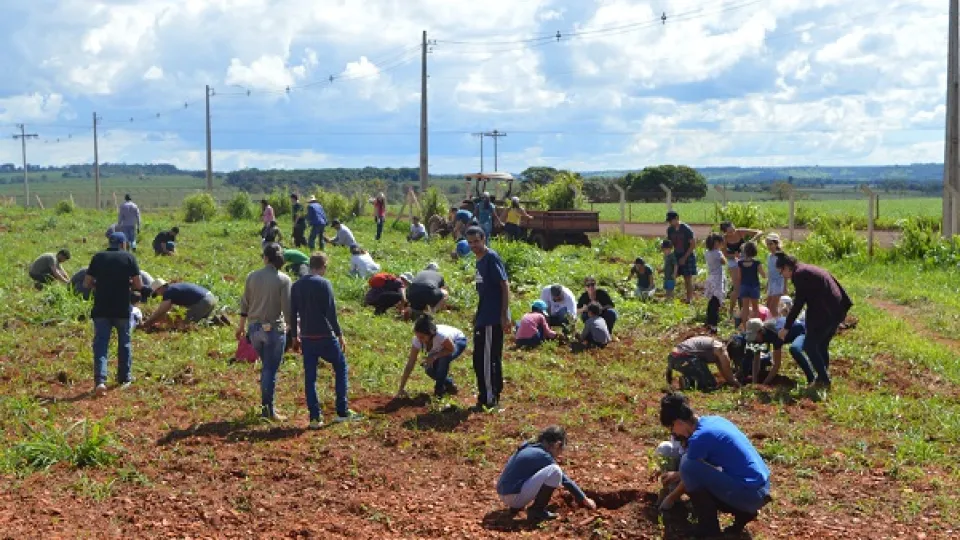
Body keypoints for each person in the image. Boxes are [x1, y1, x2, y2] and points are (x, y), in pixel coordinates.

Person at [657, 393, 771, 537]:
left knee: (687, 465)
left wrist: (670, 499)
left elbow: (690, 474)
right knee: (689, 468)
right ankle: (742, 514)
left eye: (671, 427)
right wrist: (677, 475)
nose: (673, 433)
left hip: (749, 494)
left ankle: (708, 530)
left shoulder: (699, 438)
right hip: (760, 489)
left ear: (679, 422)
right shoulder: (714, 421)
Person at [290, 252, 360, 428]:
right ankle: (342, 411)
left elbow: (292, 313)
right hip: (325, 335)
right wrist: (340, 334)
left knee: (310, 377)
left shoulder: (297, 286)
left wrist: (294, 337)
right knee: (341, 366)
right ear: (323, 267)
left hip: (306, 337)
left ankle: (315, 417)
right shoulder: (324, 284)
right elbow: (331, 312)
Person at [775, 254, 852, 389]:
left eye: (781, 272)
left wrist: (786, 327)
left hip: (826, 312)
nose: (783, 276)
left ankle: (824, 380)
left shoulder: (799, 274)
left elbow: (799, 303)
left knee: (809, 346)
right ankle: (821, 379)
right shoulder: (808, 269)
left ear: (787, 267)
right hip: (837, 309)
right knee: (821, 345)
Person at [237, 243, 294, 420]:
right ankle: (268, 410)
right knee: (270, 369)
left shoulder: (251, 276)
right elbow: (287, 308)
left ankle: (267, 406)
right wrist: (293, 331)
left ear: (266, 258)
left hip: (254, 330)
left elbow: (245, 303)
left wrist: (240, 326)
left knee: (265, 367)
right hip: (274, 330)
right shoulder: (284, 280)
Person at [84, 232, 143, 396]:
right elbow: (138, 284)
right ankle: (124, 378)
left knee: (101, 344)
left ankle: (100, 381)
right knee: (124, 342)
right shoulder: (129, 258)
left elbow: (87, 283)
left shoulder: (98, 257)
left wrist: (99, 285)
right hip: (122, 309)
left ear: (109, 242)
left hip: (101, 309)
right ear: (123, 243)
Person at [496, 426, 596, 522]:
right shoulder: (543, 455)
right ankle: (537, 510)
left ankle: (515, 507)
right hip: (514, 497)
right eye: (561, 449)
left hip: (503, 493)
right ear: (557, 444)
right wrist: (583, 498)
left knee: (542, 471)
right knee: (555, 471)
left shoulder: (528, 446)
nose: (560, 454)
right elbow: (564, 479)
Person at [467, 226, 510, 410]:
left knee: (487, 359)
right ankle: (486, 394)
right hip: (484, 316)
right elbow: (484, 293)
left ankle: (489, 398)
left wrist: (504, 315)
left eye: (476, 241)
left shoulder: (491, 258)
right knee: (479, 358)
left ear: (484, 239)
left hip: (492, 318)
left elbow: (504, 284)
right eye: (470, 242)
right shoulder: (479, 261)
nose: (473, 245)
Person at [396, 314, 468, 398]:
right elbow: (410, 364)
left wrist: (434, 357)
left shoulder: (441, 336)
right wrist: (401, 388)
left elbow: (450, 349)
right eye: (417, 336)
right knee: (429, 370)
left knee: (443, 359)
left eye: (422, 337)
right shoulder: (417, 341)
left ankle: (439, 391)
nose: (419, 339)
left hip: (457, 341)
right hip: (440, 348)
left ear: (430, 334)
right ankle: (448, 384)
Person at [744, 313, 807, 385]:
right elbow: (756, 360)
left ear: (761, 331)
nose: (754, 339)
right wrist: (754, 382)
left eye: (754, 336)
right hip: (786, 330)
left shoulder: (775, 335)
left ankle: (810, 378)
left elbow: (777, 364)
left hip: (801, 330)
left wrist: (764, 384)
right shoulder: (758, 337)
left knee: (794, 349)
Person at [720, 222, 762, 319]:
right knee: (737, 287)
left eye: (733, 229)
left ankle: (747, 309)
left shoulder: (740, 232)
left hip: (745, 259)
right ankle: (731, 311)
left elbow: (759, 232)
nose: (733, 232)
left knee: (748, 283)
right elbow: (725, 254)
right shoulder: (724, 238)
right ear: (725, 232)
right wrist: (733, 255)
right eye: (730, 232)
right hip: (733, 262)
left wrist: (750, 242)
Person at [667, 336, 741, 389]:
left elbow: (723, 369)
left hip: (674, 359)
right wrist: (735, 382)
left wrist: (729, 380)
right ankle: (688, 381)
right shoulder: (720, 348)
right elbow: (726, 367)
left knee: (710, 379)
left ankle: (691, 378)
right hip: (683, 358)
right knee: (710, 384)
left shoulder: (714, 345)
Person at [141, 280, 219, 326]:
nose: (159, 295)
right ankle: (217, 321)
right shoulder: (174, 287)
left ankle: (215, 322)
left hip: (203, 302)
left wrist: (147, 323)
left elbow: (161, 311)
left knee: (183, 325)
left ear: (160, 288)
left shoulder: (168, 292)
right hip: (211, 297)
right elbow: (170, 311)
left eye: (157, 293)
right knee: (200, 322)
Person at [666, 211, 696, 303]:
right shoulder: (670, 230)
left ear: (677, 218)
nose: (670, 223)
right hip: (676, 255)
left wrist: (684, 257)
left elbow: (693, 244)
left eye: (671, 220)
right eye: (669, 221)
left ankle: (689, 298)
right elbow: (670, 244)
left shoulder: (686, 229)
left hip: (687, 255)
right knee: (671, 276)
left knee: (687, 278)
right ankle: (670, 297)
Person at [738, 241, 765, 328]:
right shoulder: (757, 263)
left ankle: (745, 327)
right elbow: (763, 275)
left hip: (744, 286)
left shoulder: (740, 263)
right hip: (754, 286)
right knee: (755, 308)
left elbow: (739, 277)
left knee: (745, 308)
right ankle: (755, 327)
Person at [703, 233, 726, 334]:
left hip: (711, 278)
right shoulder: (718, 253)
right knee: (716, 302)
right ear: (716, 243)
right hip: (717, 280)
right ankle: (713, 325)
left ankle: (708, 322)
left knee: (711, 301)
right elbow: (723, 262)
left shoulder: (707, 253)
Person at [764, 233, 786, 315]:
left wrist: (785, 286)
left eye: (771, 244)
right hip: (771, 283)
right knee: (768, 306)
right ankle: (773, 322)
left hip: (779, 283)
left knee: (773, 307)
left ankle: (778, 324)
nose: (769, 246)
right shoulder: (769, 256)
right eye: (767, 244)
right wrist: (767, 285)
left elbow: (785, 272)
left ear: (776, 243)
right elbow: (770, 271)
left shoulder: (781, 256)